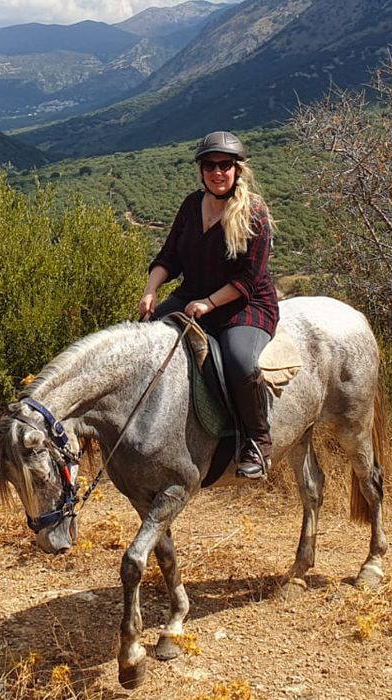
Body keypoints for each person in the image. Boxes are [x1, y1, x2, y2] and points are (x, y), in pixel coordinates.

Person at [139, 130, 278, 479]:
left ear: (237, 170)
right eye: (210, 165)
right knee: (144, 338)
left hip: (244, 306)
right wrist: (151, 290)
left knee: (239, 361)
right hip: (194, 295)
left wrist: (208, 303)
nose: (218, 172)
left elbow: (247, 279)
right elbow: (169, 256)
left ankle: (258, 442)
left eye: (225, 165)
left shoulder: (255, 213)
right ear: (201, 170)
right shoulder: (191, 206)